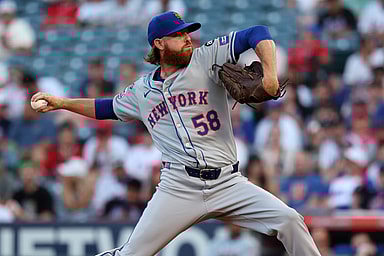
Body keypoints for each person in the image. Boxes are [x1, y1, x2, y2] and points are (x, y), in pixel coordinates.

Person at [31, 11, 321, 256]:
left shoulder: (206, 57)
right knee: (132, 253)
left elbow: (256, 32)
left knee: (290, 220)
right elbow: (107, 107)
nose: (187, 39)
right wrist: (62, 103)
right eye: (179, 35)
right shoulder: (142, 92)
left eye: (187, 33)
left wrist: (269, 74)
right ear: (159, 43)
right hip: (179, 187)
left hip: (229, 183)